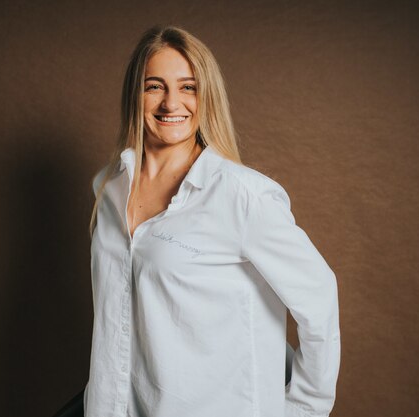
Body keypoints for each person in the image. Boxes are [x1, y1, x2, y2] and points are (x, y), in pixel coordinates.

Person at [84, 25, 340, 417]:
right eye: (155, 86)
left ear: (207, 97)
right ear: (134, 95)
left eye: (188, 87)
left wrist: (303, 409)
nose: (172, 103)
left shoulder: (241, 196)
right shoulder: (109, 189)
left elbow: (319, 298)